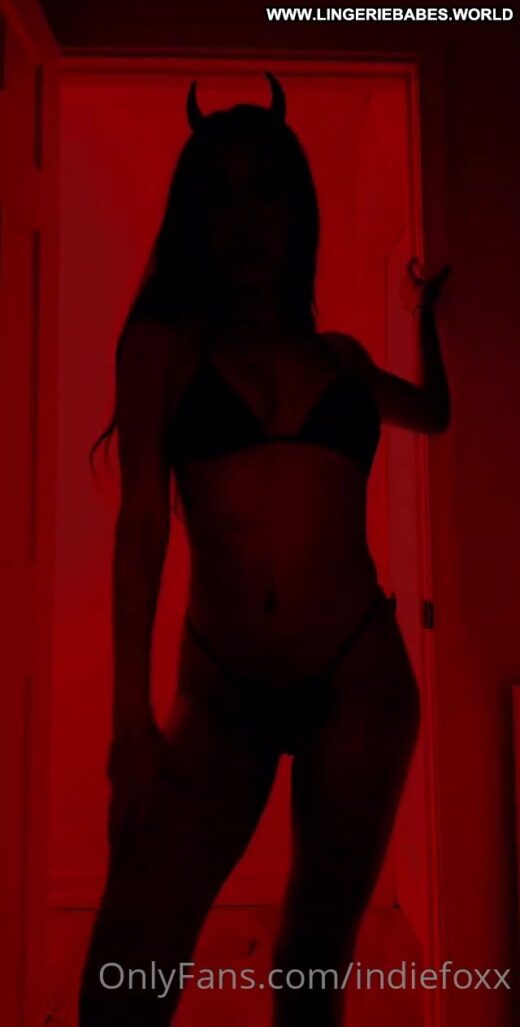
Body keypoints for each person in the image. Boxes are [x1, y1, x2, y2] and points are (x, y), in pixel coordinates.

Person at [78, 73, 451, 1027]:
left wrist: (424, 319)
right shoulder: (163, 344)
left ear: (297, 212)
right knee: (126, 969)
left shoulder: (342, 360)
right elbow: (142, 525)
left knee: (309, 974)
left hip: (359, 677)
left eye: (266, 191)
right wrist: (130, 723)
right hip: (222, 689)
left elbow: (435, 416)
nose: (246, 219)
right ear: (195, 218)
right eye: (222, 194)